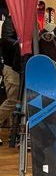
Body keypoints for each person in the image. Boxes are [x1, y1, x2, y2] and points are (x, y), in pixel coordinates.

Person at [0, 15, 21, 144]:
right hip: (13, 67)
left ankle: (16, 133)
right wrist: (22, 44)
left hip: (22, 66)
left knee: (19, 103)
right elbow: (7, 41)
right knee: (13, 101)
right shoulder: (10, 21)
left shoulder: (28, 20)